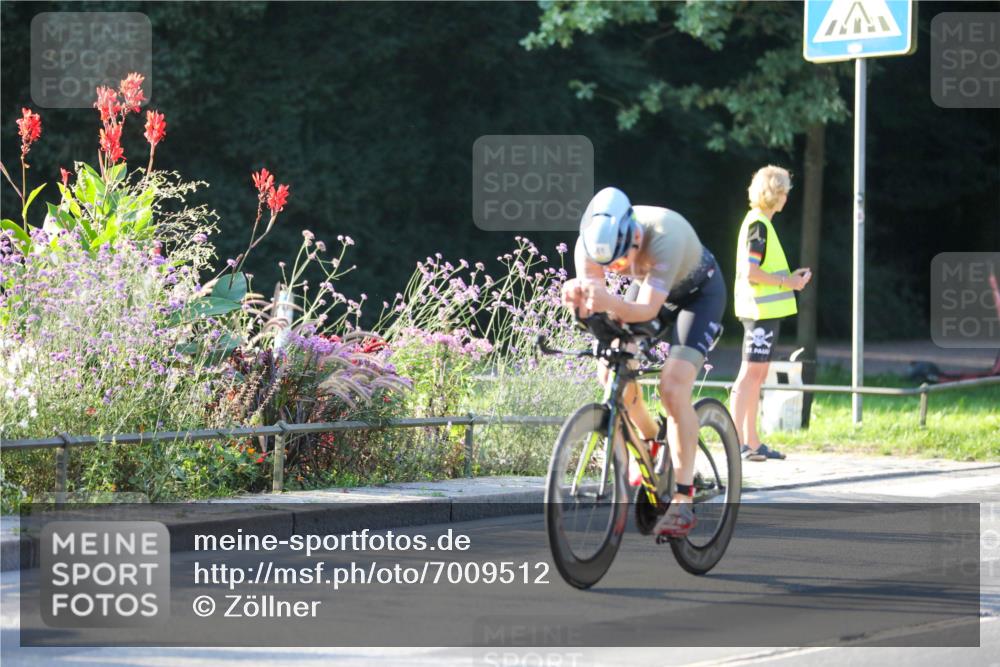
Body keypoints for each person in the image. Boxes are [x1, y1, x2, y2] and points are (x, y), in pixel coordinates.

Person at [561, 187, 725, 538]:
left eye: (621, 261)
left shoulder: (665, 234)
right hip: (650, 288)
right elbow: (598, 306)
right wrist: (579, 302)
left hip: (698, 297)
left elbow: (647, 311)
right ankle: (651, 441)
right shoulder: (588, 242)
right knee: (610, 371)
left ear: (635, 237)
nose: (617, 268)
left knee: (673, 386)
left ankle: (683, 499)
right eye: (610, 265)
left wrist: (606, 299)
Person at [730, 166, 811, 462]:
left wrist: (790, 277)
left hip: (765, 312)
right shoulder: (758, 226)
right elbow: (752, 272)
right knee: (749, 375)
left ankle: (752, 442)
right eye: (785, 192)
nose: (787, 198)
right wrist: (789, 281)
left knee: (758, 375)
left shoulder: (762, 223)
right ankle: (737, 442)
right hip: (758, 312)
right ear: (774, 194)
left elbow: (761, 270)